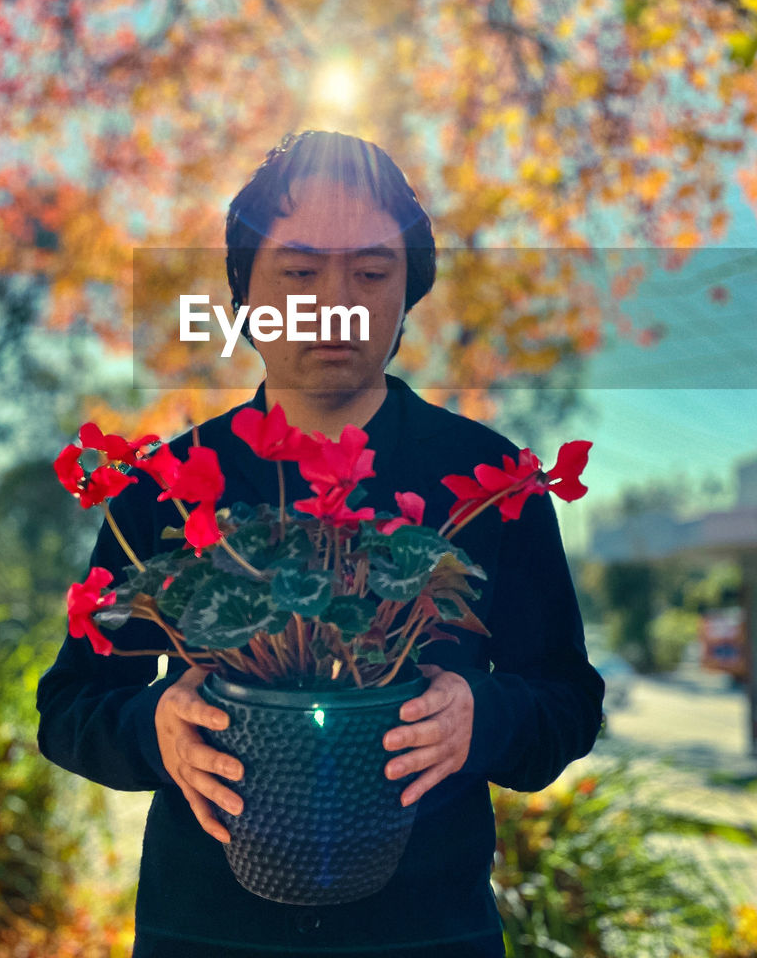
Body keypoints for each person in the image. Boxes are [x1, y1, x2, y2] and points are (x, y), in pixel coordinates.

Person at [36, 130, 605, 958]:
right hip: (205, 933)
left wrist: (483, 717)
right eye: (299, 273)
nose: (335, 304)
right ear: (245, 296)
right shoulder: (164, 483)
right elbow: (69, 710)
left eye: (372, 274)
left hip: (426, 935)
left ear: (409, 292)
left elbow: (568, 703)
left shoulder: (492, 481)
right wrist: (151, 725)